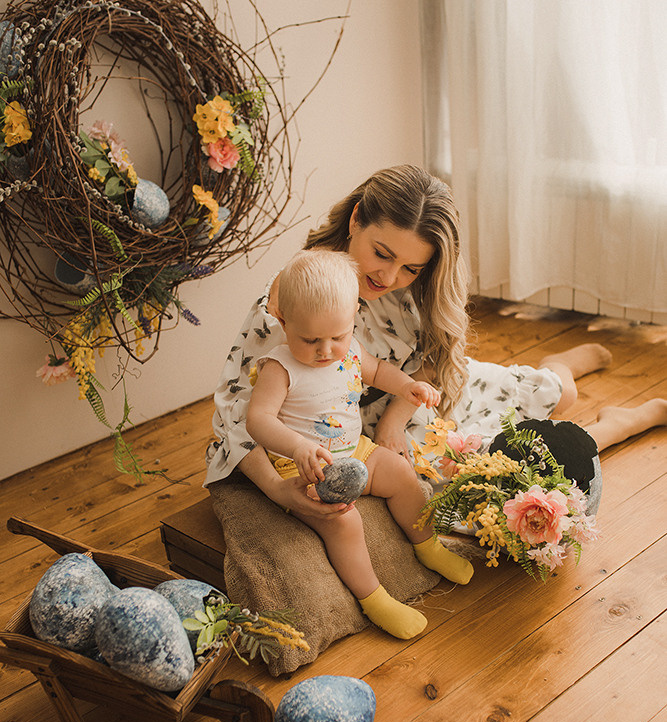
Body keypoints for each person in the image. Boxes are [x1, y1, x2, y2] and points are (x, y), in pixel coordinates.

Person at [205, 164, 667, 517]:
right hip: (337, 433)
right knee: (500, 468)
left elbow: (433, 363)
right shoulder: (297, 291)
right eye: (381, 253)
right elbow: (235, 409)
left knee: (560, 394)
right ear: (356, 220)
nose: (389, 277)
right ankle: (622, 423)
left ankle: (562, 367)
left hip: (408, 404)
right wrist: (276, 489)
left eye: (411, 268)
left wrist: (391, 423)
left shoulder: (410, 291)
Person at [245, 249, 474, 640]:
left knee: (402, 474)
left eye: (338, 335)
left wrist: (408, 386)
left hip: (356, 451)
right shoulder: (278, 367)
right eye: (311, 339)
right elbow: (257, 421)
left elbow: (379, 371)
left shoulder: (349, 351)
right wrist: (297, 447)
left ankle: (428, 544)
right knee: (344, 522)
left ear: (353, 314)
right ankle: (375, 598)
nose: (326, 350)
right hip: (305, 470)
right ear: (283, 320)